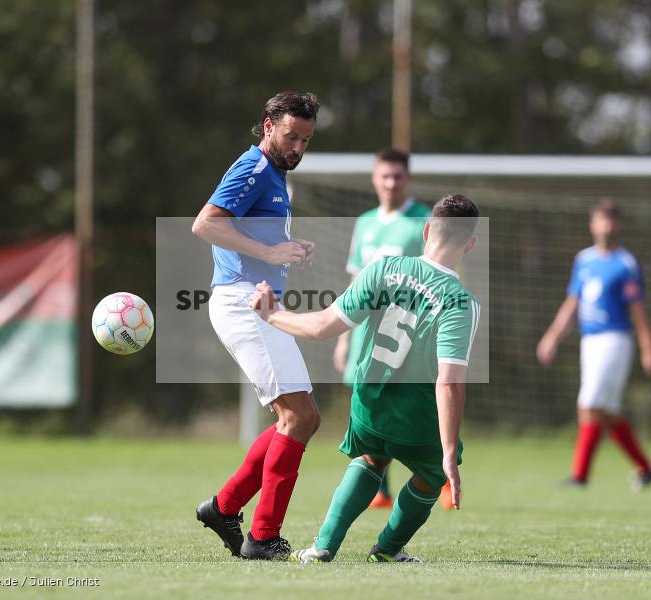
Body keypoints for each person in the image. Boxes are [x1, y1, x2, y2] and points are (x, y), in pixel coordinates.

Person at [250, 194, 480, 563]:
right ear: (470, 242)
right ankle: (387, 549)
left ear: (425, 231)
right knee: (431, 474)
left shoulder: (381, 268)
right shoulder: (459, 301)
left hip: (367, 399)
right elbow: (450, 381)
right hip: (416, 413)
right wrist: (449, 453)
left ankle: (323, 547)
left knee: (371, 458)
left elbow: (324, 326)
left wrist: (273, 315)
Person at [192, 91, 321, 560]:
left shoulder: (272, 174)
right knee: (300, 417)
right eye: (291, 137)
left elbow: (249, 234)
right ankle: (262, 537)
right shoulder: (251, 169)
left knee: (298, 417)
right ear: (267, 126)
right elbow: (205, 224)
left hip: (259, 305)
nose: (298, 149)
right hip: (242, 304)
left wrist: (287, 246)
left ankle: (224, 509)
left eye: (305, 140)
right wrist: (269, 253)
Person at [536, 199, 651, 489]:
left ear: (618, 225)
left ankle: (579, 476)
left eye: (611, 220)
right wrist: (552, 336)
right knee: (606, 412)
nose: (606, 225)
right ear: (592, 224)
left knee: (589, 404)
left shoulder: (625, 263)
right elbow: (572, 303)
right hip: (588, 341)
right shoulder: (584, 259)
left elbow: (637, 310)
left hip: (614, 340)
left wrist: (648, 348)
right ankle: (646, 468)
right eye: (601, 219)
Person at [333, 147, 431, 509]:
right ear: (375, 178)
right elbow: (354, 286)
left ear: (408, 178)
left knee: (416, 405)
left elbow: (440, 276)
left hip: (407, 330)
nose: (391, 182)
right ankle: (381, 490)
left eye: (398, 176)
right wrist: (343, 339)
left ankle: (440, 474)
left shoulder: (424, 219)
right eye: (384, 176)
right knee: (368, 405)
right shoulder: (365, 222)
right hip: (365, 332)